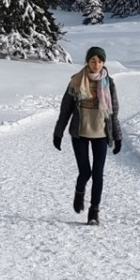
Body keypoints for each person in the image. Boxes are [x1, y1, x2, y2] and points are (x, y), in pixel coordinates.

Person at [52, 45, 121, 225]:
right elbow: (65, 109)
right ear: (87, 61)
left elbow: (113, 111)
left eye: (100, 61)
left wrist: (118, 136)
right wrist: (58, 132)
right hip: (80, 133)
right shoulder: (76, 81)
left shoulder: (108, 83)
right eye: (93, 60)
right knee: (85, 172)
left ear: (103, 63)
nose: (96, 64)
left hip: (101, 134)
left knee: (98, 174)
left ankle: (94, 212)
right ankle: (79, 192)